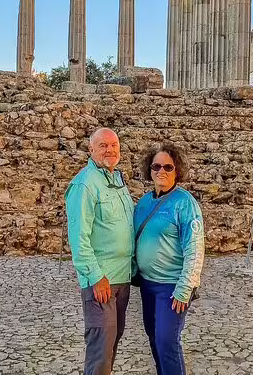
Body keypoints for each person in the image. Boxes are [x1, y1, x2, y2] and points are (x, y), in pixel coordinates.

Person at [65, 127, 135, 375]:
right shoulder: (85, 184)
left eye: (114, 145)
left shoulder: (117, 180)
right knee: (100, 354)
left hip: (122, 279)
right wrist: (95, 276)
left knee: (111, 347)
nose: (110, 150)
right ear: (91, 149)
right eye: (103, 145)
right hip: (101, 283)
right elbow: (78, 238)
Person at [133, 143, 205, 375]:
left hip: (172, 287)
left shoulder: (185, 203)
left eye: (168, 166)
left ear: (177, 170)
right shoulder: (143, 203)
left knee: (166, 340)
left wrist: (186, 286)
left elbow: (194, 247)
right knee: (153, 336)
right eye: (156, 166)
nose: (161, 171)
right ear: (149, 169)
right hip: (147, 284)